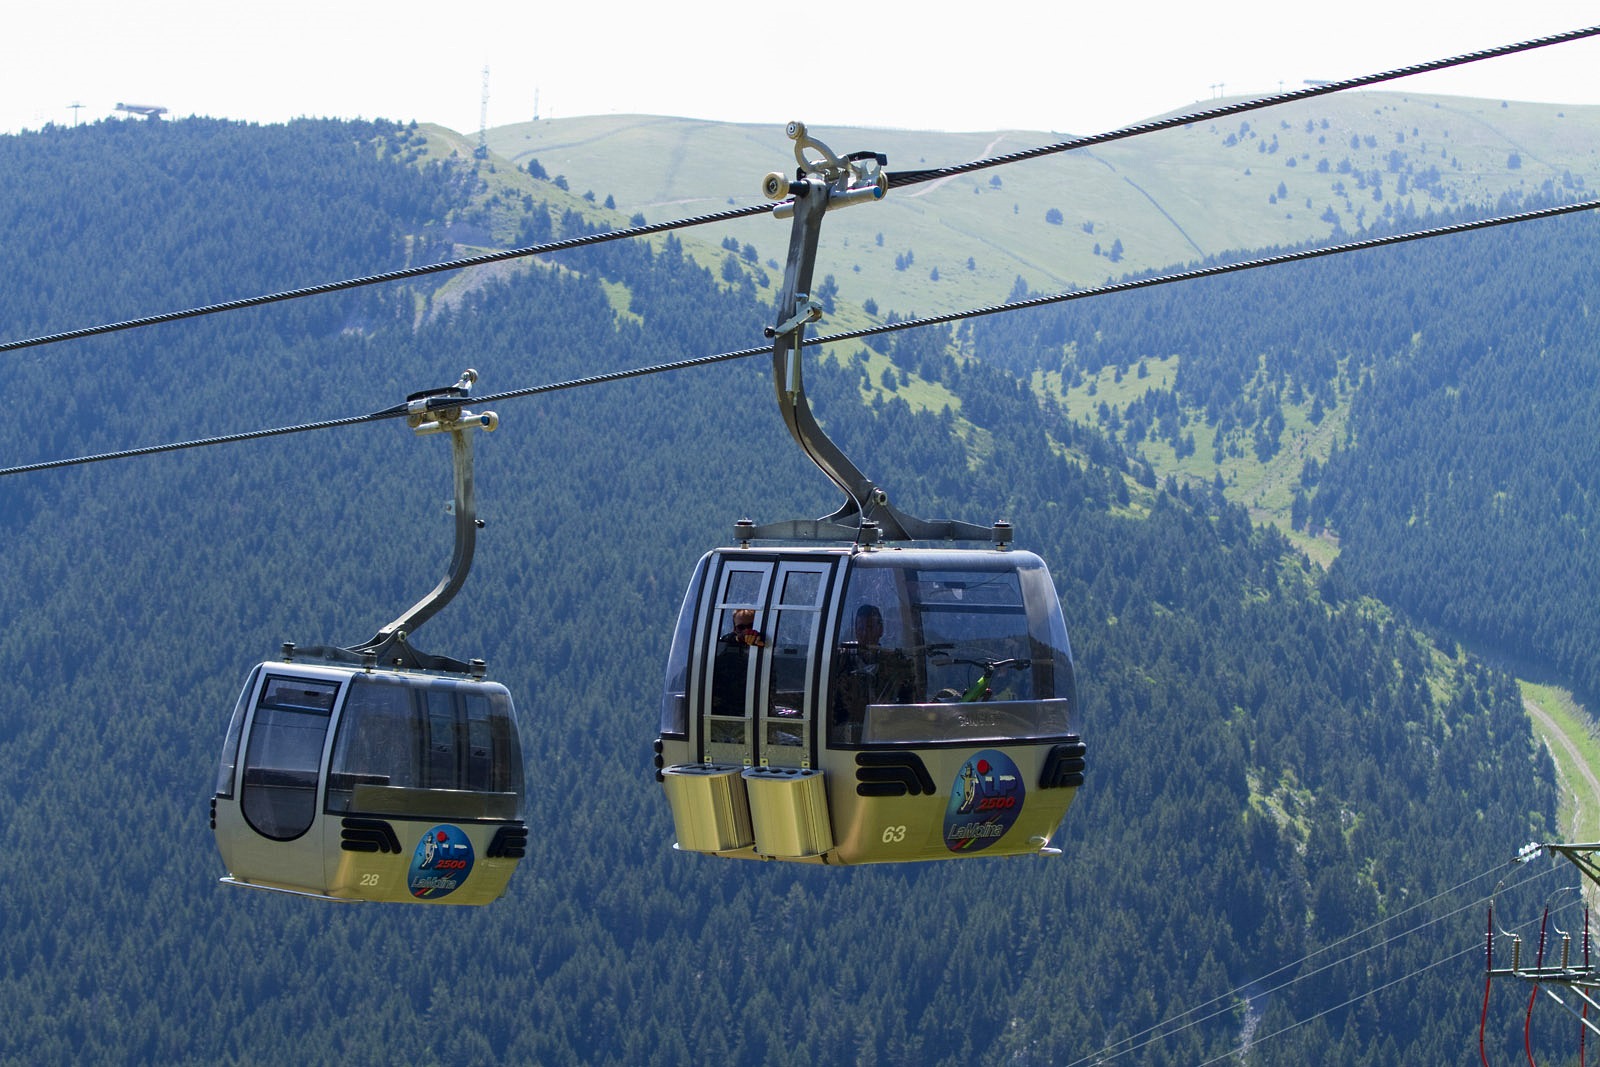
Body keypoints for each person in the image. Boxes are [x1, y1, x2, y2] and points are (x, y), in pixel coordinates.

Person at [831, 603, 915, 742]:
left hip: (887, 731)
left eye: (870, 628)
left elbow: (909, 704)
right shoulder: (841, 661)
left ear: (880, 630)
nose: (864, 634)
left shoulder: (897, 663)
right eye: (860, 628)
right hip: (846, 733)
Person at [711, 608, 762, 717]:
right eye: (741, 627)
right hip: (730, 710)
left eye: (750, 626)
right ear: (735, 629)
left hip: (757, 707)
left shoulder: (764, 648)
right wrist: (739, 639)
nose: (746, 631)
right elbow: (727, 641)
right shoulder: (726, 647)